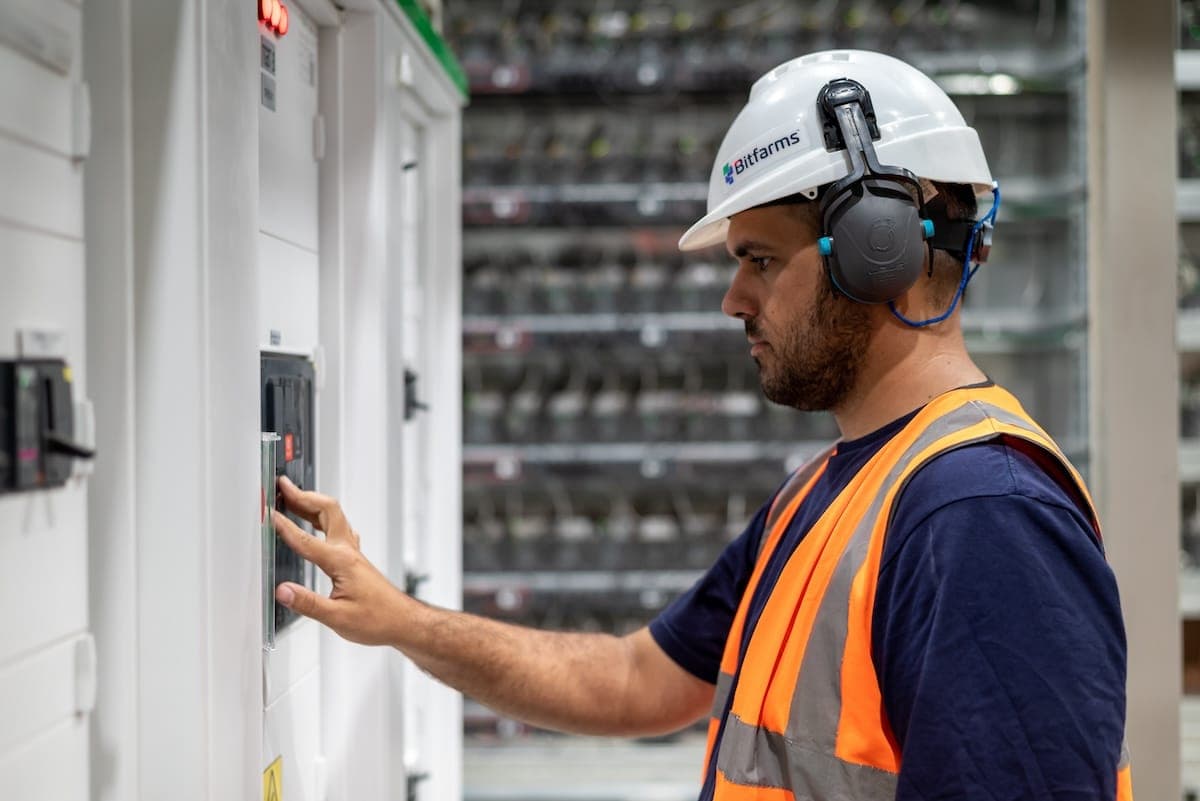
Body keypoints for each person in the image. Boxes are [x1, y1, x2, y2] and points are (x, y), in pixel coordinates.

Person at [271, 50, 1131, 800]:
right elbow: (634, 680)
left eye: (759, 259)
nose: (733, 300)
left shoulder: (980, 517)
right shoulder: (835, 492)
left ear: (882, 250)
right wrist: (395, 615)